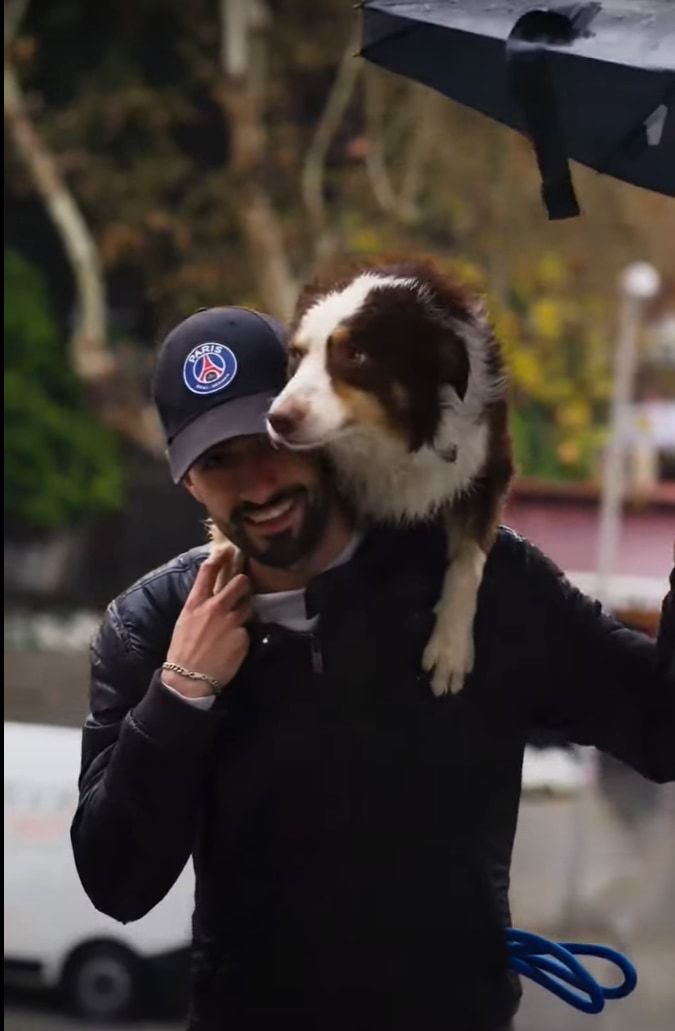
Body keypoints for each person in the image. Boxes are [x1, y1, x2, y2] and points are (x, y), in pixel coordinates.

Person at [71, 305, 675, 1031]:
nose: (257, 484)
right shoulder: (149, 628)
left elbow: (659, 726)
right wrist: (179, 695)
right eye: (217, 461)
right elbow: (118, 881)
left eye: (273, 438)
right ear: (189, 484)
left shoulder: (475, 581)